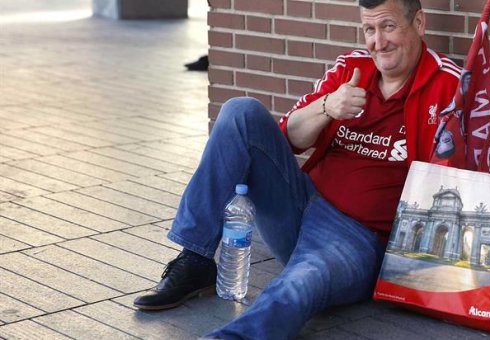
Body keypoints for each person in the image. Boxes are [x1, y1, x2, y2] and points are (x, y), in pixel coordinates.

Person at [133, 0, 462, 338]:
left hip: (358, 239)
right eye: (369, 29)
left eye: (388, 27)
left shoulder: (448, 84)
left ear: (418, 23)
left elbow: (462, 175)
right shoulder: (352, 67)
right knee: (240, 112)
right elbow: (291, 137)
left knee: (298, 284)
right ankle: (196, 258)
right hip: (301, 205)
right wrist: (328, 106)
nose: (378, 42)